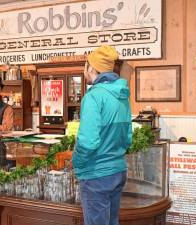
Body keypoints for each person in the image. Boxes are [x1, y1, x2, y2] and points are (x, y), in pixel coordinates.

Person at [72, 45, 132, 225]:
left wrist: (77, 163)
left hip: (96, 175)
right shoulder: (122, 95)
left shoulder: (94, 96)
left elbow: (88, 142)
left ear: (91, 68)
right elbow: (128, 138)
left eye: (85, 65)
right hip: (118, 171)